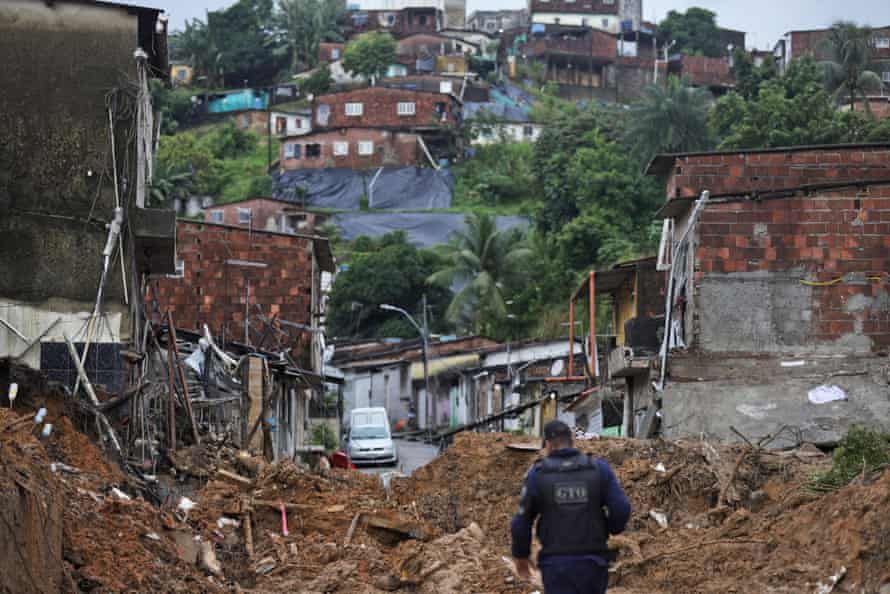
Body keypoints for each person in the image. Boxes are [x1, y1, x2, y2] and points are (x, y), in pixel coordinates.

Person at [511, 419, 631, 594]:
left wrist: (521, 555)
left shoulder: (538, 475)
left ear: (548, 444)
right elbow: (622, 508)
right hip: (594, 562)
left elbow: (521, 522)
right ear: (571, 441)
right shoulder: (599, 469)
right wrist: (611, 528)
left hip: (556, 566)